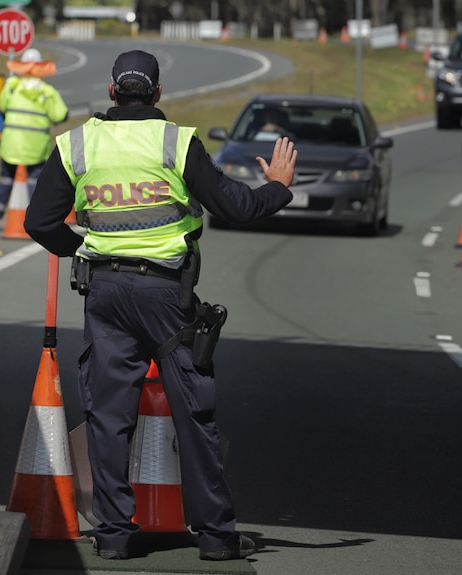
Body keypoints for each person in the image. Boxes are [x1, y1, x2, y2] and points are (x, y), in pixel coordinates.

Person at [23, 50, 297, 561]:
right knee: (193, 412)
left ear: (110, 92)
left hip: (104, 293)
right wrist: (278, 188)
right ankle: (216, 538)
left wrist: (82, 248)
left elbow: (39, 223)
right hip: (167, 296)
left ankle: (114, 536)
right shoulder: (177, 142)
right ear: (157, 93)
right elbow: (236, 205)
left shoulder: (75, 144)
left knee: (108, 416)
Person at [0, 48, 69, 231]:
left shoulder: (12, 85)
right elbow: (60, 115)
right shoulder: (47, 91)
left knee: (5, 180)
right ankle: (36, 222)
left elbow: (3, 106)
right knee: (35, 184)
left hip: (11, 145)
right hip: (35, 147)